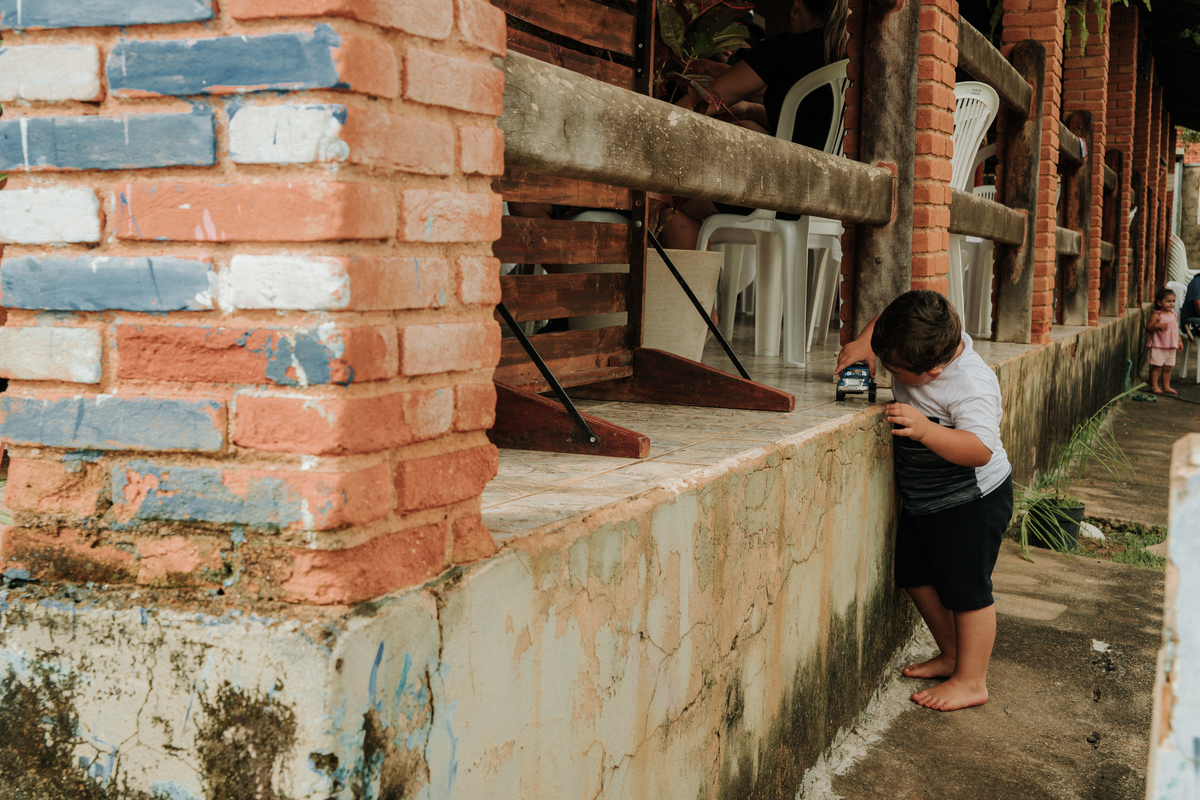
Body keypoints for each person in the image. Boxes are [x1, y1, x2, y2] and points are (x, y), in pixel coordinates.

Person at [835, 290, 1013, 712]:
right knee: (914, 574)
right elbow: (885, 318)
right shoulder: (922, 333)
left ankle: (972, 680)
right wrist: (865, 344)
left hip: (972, 499)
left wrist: (927, 430)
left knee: (967, 591)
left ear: (932, 371)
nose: (886, 372)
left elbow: (980, 447)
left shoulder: (970, 383)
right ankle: (952, 654)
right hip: (927, 499)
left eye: (893, 369)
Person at [658, 0, 850, 249]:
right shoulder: (846, 61)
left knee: (668, 196)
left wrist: (654, 126)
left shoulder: (785, 49)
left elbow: (702, 101)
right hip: (828, 202)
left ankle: (696, 286)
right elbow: (804, 126)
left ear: (795, 7)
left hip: (776, 197)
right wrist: (749, 110)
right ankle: (723, 283)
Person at [1146, 286, 1183, 395]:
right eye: (1168, 301)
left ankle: (1166, 386)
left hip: (1171, 345)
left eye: (1173, 301)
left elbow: (1176, 329)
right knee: (1157, 366)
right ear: (1159, 302)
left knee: (1168, 367)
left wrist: (1179, 341)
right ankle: (1154, 386)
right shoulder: (1157, 315)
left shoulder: (1174, 315)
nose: (1171, 304)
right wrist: (1157, 325)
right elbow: (1148, 328)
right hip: (1158, 345)